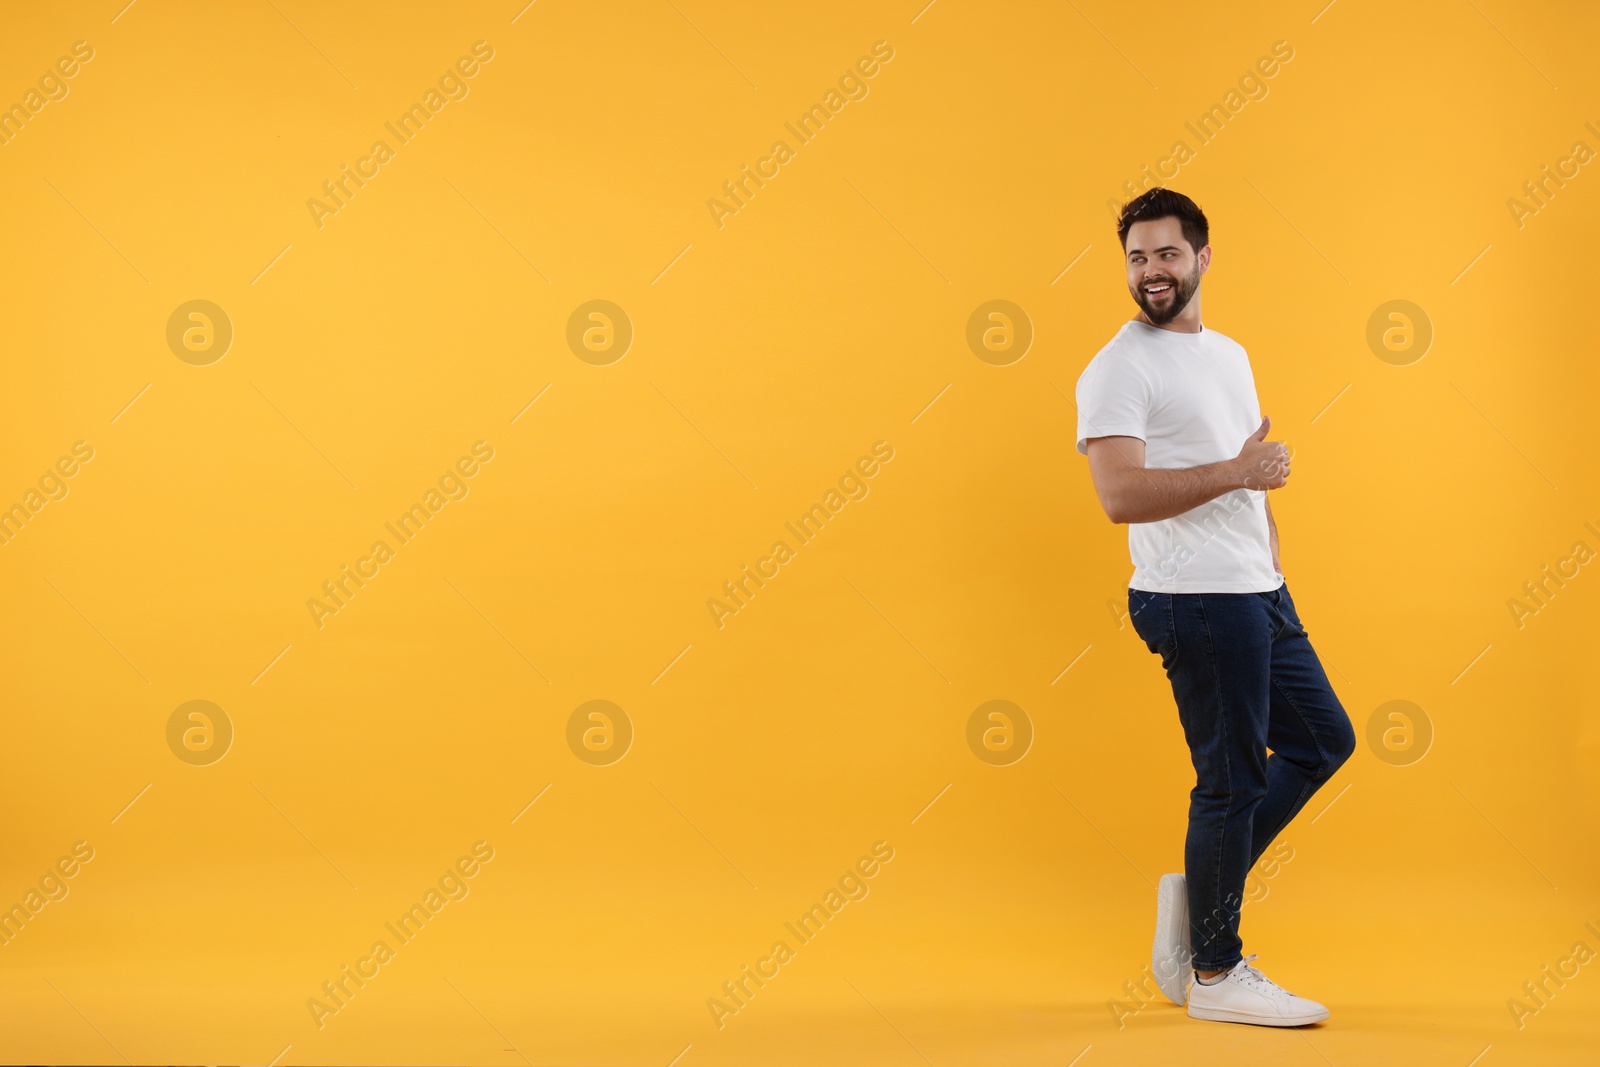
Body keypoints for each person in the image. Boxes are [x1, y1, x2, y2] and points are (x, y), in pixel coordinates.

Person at [1074, 187, 1356, 1027]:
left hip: (1255, 591)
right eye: (1136, 257)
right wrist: (1242, 475)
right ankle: (1215, 969)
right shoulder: (1118, 367)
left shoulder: (1228, 353)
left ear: (1202, 257)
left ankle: (1199, 899)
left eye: (1165, 253)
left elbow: (1247, 457)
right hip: (1190, 599)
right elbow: (1119, 494)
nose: (1150, 270)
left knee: (1323, 740)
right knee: (1230, 782)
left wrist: (1269, 555)